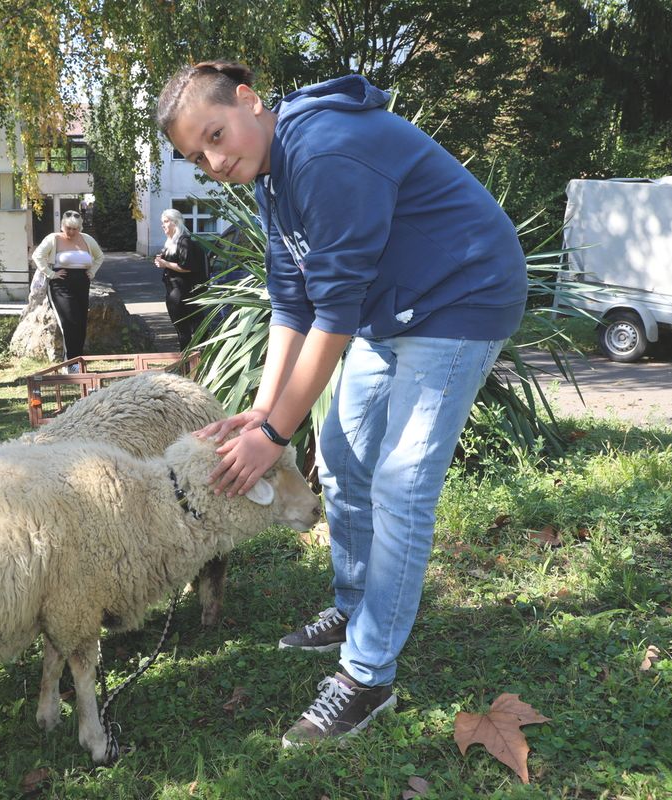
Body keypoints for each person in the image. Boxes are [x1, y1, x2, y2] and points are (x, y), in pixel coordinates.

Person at [158, 62, 528, 746]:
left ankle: (367, 675)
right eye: (196, 157)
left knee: (400, 483)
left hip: (463, 297)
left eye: (215, 135)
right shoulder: (272, 176)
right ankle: (357, 608)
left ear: (249, 101)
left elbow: (333, 309)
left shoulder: (323, 149)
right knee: (344, 457)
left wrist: (274, 432)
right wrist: (262, 410)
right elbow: (291, 300)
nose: (214, 160)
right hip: (396, 309)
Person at [30, 209, 104, 366]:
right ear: (62, 226)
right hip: (61, 285)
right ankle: (71, 364)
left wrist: (92, 272)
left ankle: (78, 361)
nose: (71, 232)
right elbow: (37, 256)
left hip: (82, 283)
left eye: (75, 229)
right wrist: (50, 273)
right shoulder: (53, 238)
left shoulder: (87, 239)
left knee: (81, 323)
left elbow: (99, 257)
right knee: (69, 322)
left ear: (80, 228)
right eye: (68, 228)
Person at [154, 207, 208, 350]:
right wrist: (162, 262)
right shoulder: (173, 241)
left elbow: (186, 267)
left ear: (175, 223)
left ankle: (190, 362)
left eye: (166, 221)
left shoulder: (184, 241)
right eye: (162, 222)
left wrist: (165, 263)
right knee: (182, 330)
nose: (163, 225)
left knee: (186, 330)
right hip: (175, 289)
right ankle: (187, 362)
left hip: (182, 291)